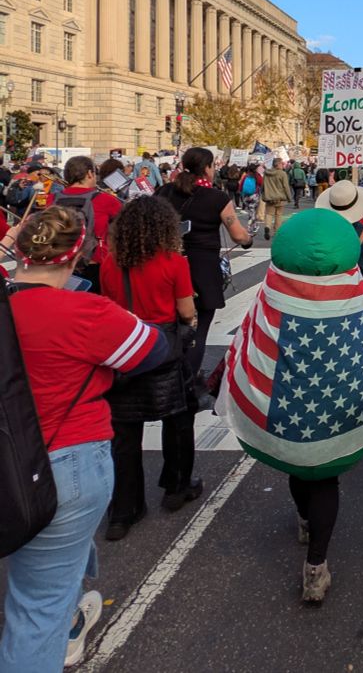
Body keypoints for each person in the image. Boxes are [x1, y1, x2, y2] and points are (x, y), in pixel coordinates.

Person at [1, 207, 168, 671]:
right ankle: (59, 632)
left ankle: (72, 620)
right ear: (78, 257)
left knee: (44, 574)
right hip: (65, 459)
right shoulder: (84, 311)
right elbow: (153, 349)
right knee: (37, 607)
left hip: (10, 454)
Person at [216, 210, 363, 605]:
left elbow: (247, 337)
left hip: (288, 412)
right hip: (338, 409)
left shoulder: (273, 291)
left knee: (300, 470)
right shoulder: (355, 291)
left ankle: (304, 520)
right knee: (324, 479)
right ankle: (316, 566)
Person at [99, 196, 200, 540]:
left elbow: (109, 307)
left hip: (125, 350)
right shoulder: (174, 262)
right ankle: (177, 486)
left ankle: (123, 509)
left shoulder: (111, 263)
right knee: (178, 421)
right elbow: (186, 311)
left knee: (124, 436)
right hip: (162, 349)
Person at [158, 147, 252, 378]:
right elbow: (238, 235)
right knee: (198, 330)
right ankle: (189, 380)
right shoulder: (216, 198)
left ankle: (167, 376)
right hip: (202, 268)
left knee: (167, 325)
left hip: (165, 263)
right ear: (208, 168)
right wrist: (248, 239)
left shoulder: (164, 191)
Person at [53, 155, 122, 294]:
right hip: (95, 262)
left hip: (60, 262)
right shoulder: (106, 200)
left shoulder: (52, 199)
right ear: (90, 173)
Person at [261, 158, 293, 240]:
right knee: (278, 215)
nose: (283, 165)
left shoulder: (266, 173)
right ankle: (277, 232)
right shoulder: (282, 174)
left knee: (269, 214)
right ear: (278, 164)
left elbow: (263, 185)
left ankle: (267, 226)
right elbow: (286, 187)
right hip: (280, 197)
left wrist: (263, 193)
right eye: (282, 163)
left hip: (269, 197)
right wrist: (289, 198)